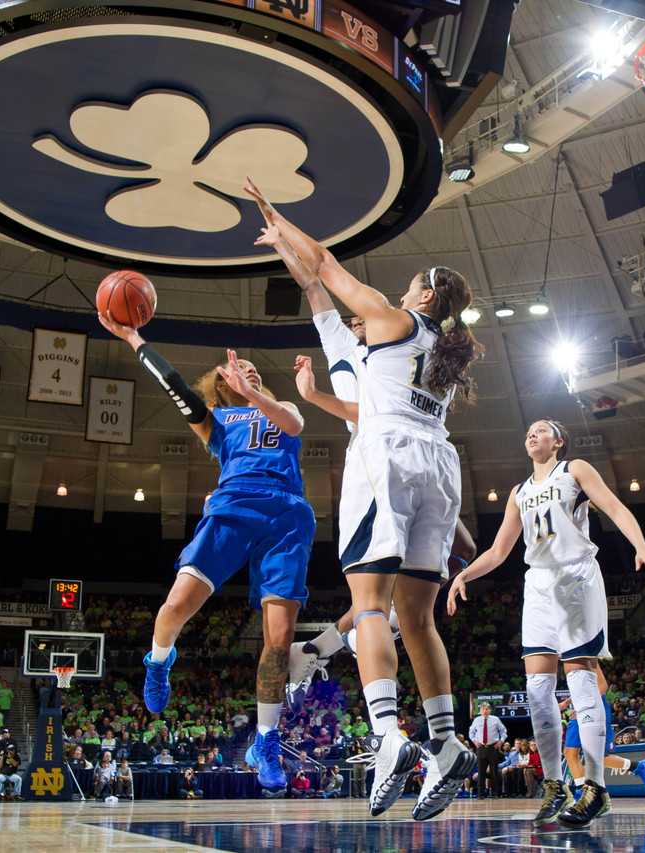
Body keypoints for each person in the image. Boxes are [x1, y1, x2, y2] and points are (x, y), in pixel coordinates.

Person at [247, 176, 479, 822]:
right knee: (417, 618)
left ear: (425, 296)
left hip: (388, 455)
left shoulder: (391, 321)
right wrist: (284, 248)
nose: (398, 291)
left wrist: (278, 219)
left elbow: (325, 265)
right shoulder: (442, 352)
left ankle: (387, 735)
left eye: (411, 285)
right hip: (439, 462)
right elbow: (316, 289)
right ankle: (446, 741)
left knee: (369, 603)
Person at [98, 312, 316, 794]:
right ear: (220, 384)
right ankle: (159, 661)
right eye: (237, 371)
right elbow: (174, 385)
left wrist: (253, 392)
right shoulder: (216, 420)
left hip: (287, 514)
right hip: (234, 504)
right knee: (176, 605)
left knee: (280, 640)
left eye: (253, 370)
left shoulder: (276, 406)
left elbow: (294, 423)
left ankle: (266, 740)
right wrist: (133, 338)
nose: (248, 371)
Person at [277, 254, 476, 707]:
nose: (359, 322)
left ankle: (324, 645)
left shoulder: (402, 348)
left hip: (410, 458)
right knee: (384, 585)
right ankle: (348, 639)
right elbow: (317, 292)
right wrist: (312, 395)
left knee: (463, 550)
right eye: (355, 322)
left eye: (361, 320)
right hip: (380, 457)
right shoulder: (346, 353)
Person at [448, 419, 645, 828]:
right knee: (537, 689)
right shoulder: (518, 492)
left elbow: (615, 507)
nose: (532, 434)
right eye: (529, 430)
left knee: (581, 681)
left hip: (575, 576)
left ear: (558, 441)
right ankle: (553, 784)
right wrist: (464, 575)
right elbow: (499, 550)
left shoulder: (574, 469)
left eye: (542, 430)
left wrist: (641, 545)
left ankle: (596, 788)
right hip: (538, 584)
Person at [467, 702, 507, 800]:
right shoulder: (477, 720)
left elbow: (503, 731)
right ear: (480, 711)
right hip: (481, 747)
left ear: (489, 710)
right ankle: (481, 794)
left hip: (493, 747)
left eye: (486, 709)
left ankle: (495, 794)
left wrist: (501, 741)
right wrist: (474, 741)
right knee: (481, 772)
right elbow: (471, 732)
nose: (485, 711)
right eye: (483, 709)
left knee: (494, 772)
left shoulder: (495, 719)